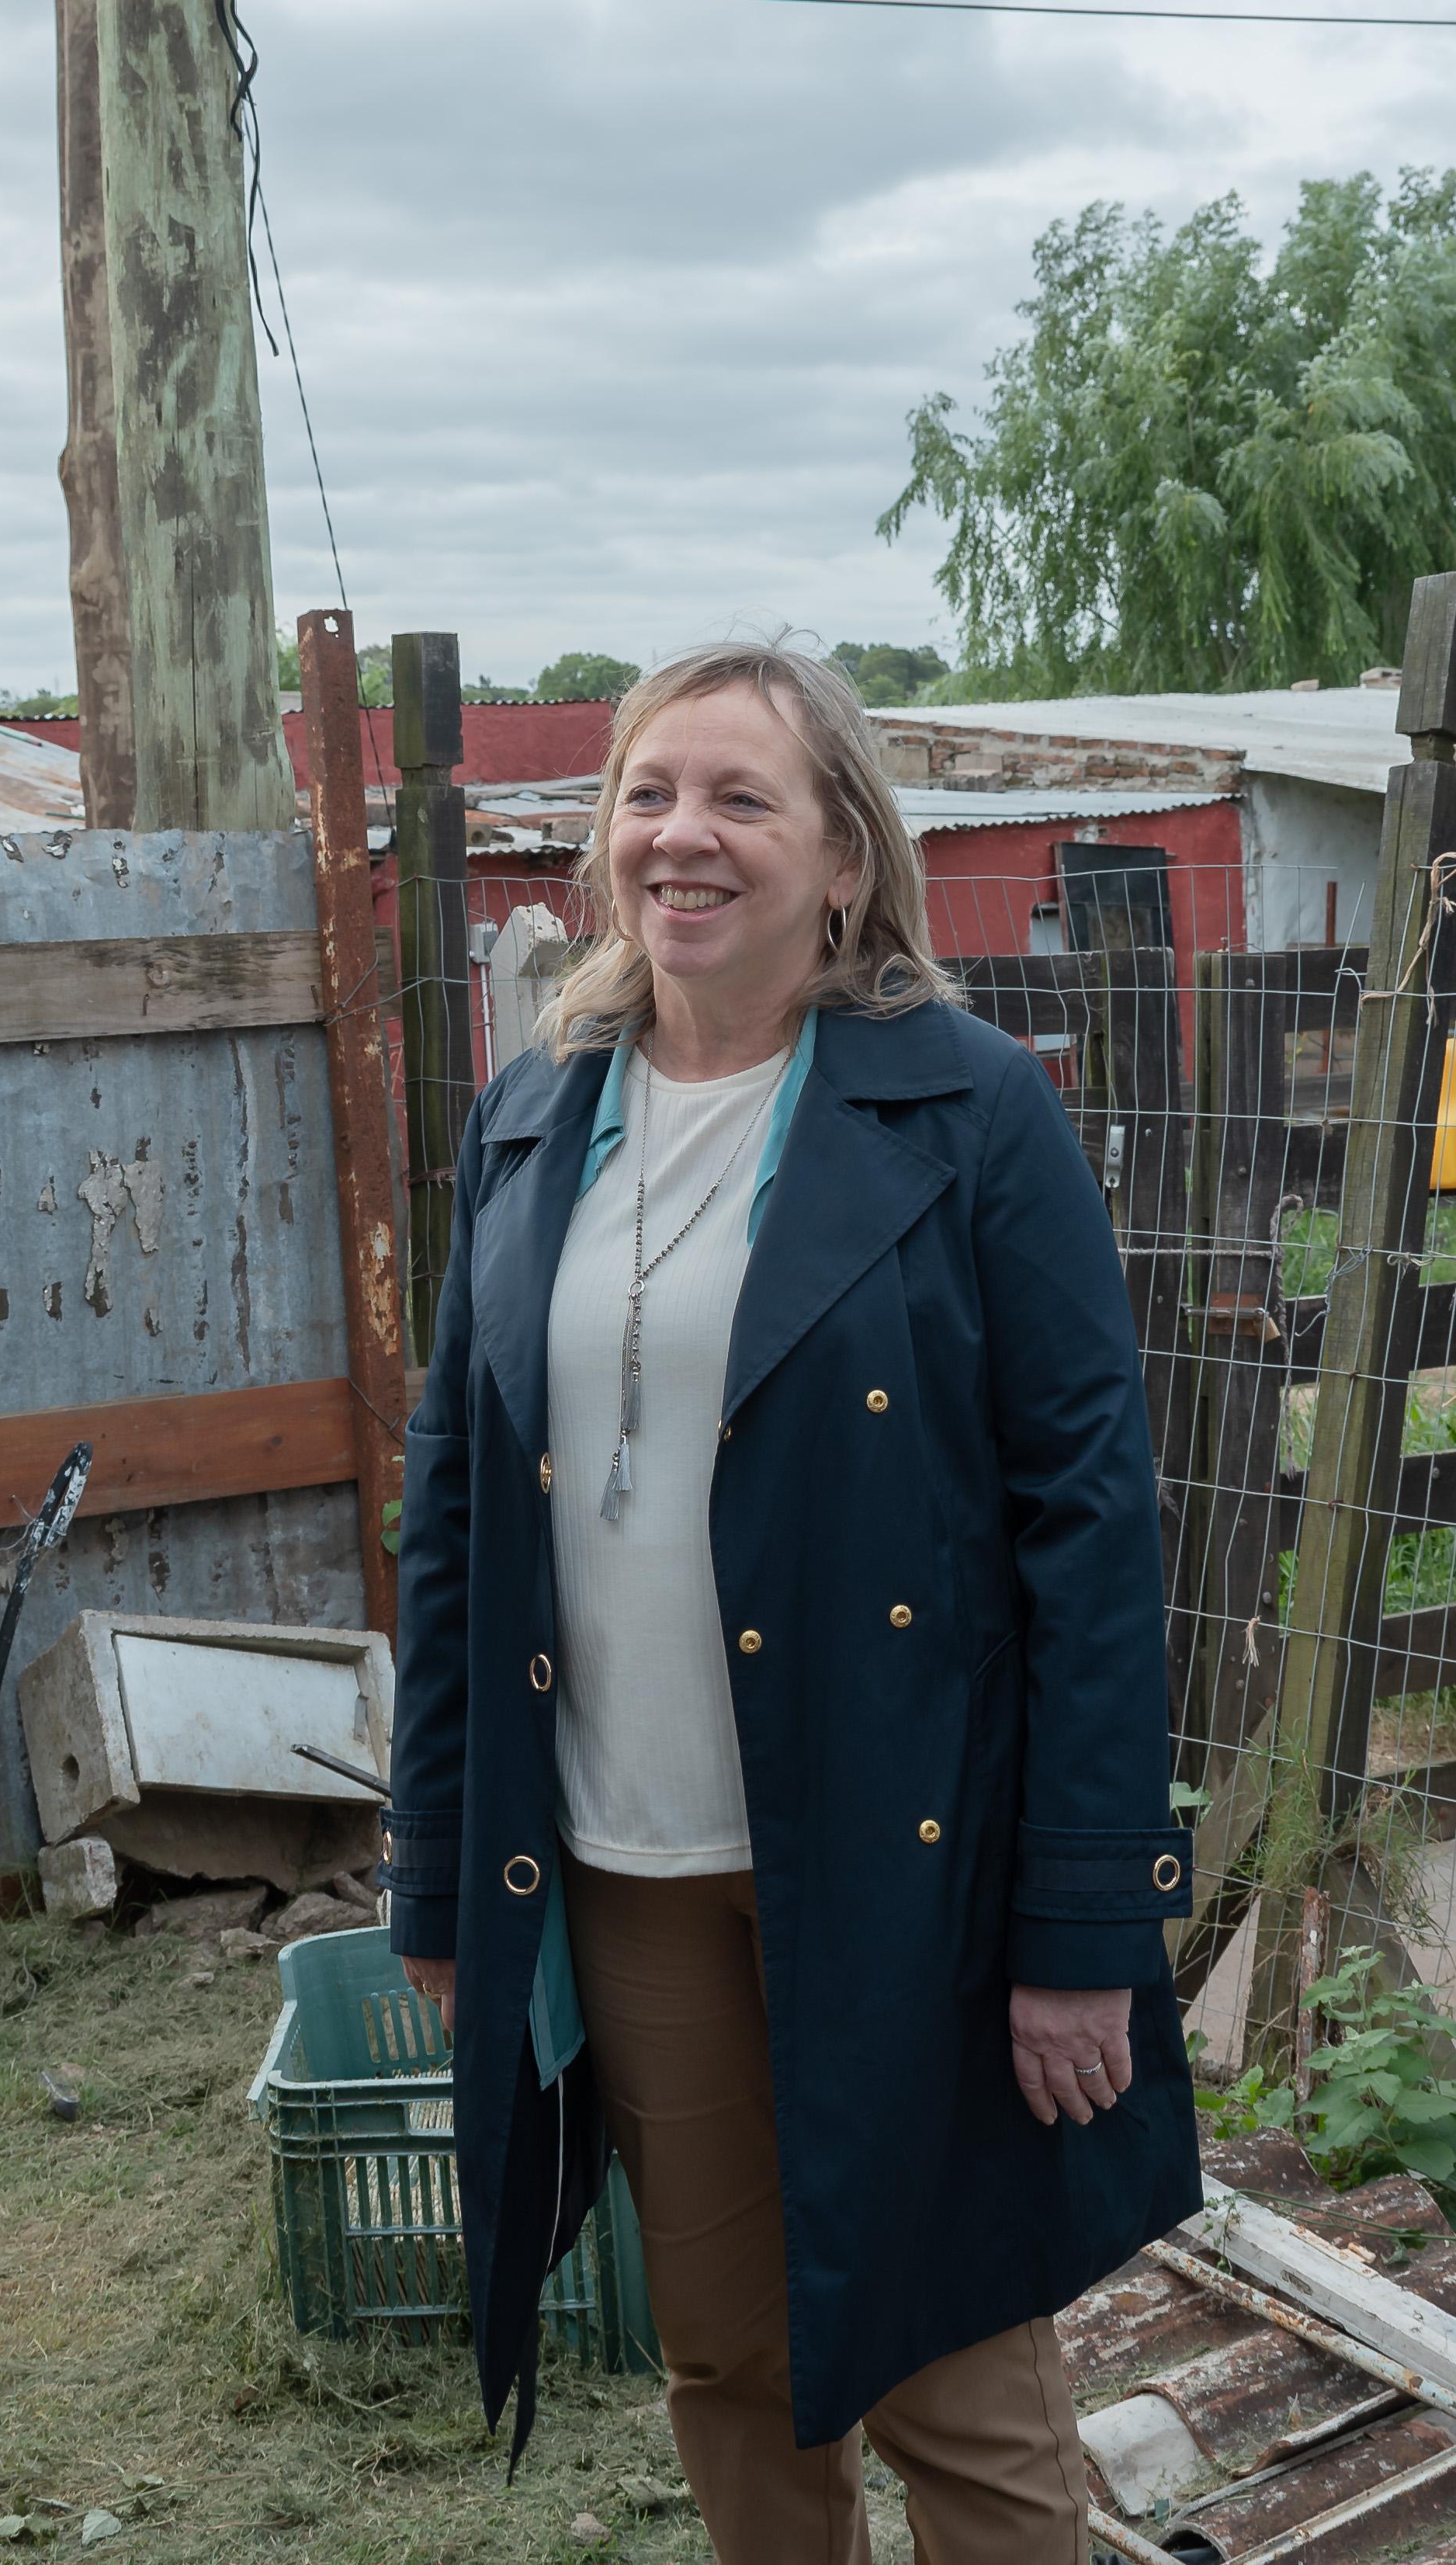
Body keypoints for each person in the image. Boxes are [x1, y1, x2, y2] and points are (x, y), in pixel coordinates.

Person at [385, 643, 1196, 2560]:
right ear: (602, 846)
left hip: (899, 1863)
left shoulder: (971, 1114)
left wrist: (1080, 1922)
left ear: (843, 856)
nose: (685, 835)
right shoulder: (529, 1122)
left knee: (958, 2382)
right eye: (650, 793)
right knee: (728, 2357)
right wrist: (440, 1866)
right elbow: (451, 1521)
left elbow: (1091, 1529)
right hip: (629, 1853)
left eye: (741, 797)